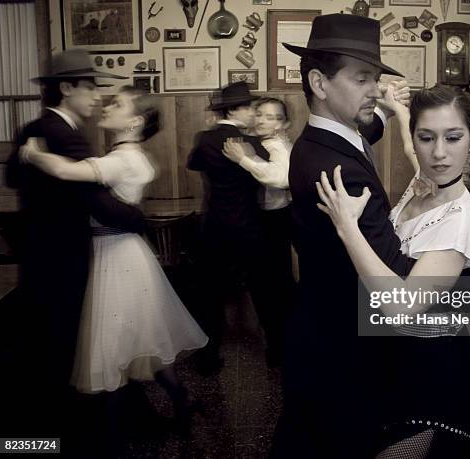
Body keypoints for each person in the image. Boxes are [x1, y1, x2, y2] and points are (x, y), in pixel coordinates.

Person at [270, 13, 423, 459]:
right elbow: (392, 270)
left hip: (320, 326)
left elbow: (365, 131)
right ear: (319, 82)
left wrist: (390, 112)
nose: (374, 89)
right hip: (343, 343)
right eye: (362, 78)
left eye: (375, 78)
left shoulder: (327, 139)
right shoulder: (335, 170)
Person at [19, 86, 208, 438]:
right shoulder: (125, 154)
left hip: (117, 254)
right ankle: (177, 401)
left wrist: (32, 154)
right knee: (139, 338)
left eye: (117, 103)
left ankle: (115, 433)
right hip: (121, 250)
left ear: (135, 122)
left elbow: (65, 172)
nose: (107, 105)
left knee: (115, 342)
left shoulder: (125, 159)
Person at [316, 85, 470, 458]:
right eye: (427, 138)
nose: (439, 153)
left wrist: (348, 228)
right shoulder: (422, 182)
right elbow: (415, 150)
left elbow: (401, 306)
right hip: (397, 358)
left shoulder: (460, 222)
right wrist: (396, 108)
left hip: (433, 375)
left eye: (454, 137)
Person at [5, 50, 145, 442]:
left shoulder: (33, 126)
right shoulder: (66, 135)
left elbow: (13, 178)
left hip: (37, 249)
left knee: (44, 334)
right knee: (62, 337)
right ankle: (58, 436)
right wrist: (137, 218)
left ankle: (41, 429)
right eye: (89, 87)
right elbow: (95, 198)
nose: (96, 96)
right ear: (66, 89)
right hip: (63, 253)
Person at [187, 81, 276, 374]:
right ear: (236, 110)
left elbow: (194, 164)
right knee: (263, 291)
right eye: (250, 107)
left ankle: (209, 356)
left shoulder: (205, 139)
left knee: (210, 294)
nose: (254, 112)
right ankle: (275, 352)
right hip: (249, 226)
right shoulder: (251, 143)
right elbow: (267, 173)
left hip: (215, 226)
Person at [222, 97, 296, 366]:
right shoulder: (260, 142)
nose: (265, 121)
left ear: (284, 124)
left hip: (273, 222)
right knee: (271, 286)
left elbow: (281, 178)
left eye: (273, 117)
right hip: (266, 221)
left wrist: (246, 160)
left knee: (271, 287)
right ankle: (280, 343)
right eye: (261, 115)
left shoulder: (277, 146)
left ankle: (280, 348)